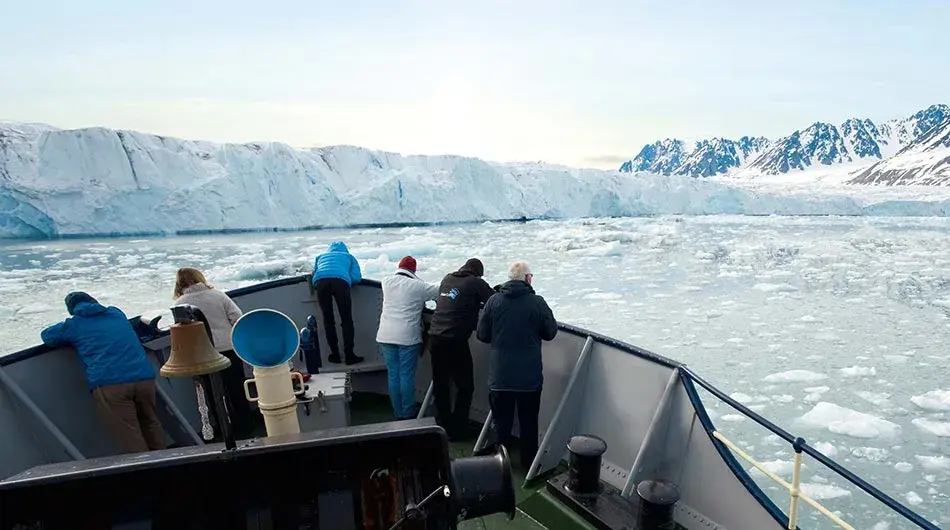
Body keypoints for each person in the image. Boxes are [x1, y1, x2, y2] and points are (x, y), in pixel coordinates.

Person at [40, 291, 166, 454]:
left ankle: (148, 473)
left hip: (110, 384)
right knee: (150, 421)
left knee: (128, 433)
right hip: (144, 378)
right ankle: (166, 458)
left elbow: (47, 336)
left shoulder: (74, 325)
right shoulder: (116, 313)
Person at [476, 261, 558, 469]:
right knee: (528, 424)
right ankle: (529, 464)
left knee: (501, 424)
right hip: (528, 379)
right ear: (527, 279)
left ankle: (500, 466)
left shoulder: (494, 301)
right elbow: (550, 332)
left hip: (500, 376)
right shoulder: (537, 302)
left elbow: (482, 335)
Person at [173, 267, 254, 439]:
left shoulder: (180, 304)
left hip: (204, 355)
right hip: (228, 350)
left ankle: (225, 430)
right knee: (237, 390)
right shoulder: (218, 295)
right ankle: (245, 427)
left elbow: (184, 333)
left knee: (214, 394)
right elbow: (237, 317)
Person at [427, 258, 495, 439]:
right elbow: (493, 299)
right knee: (465, 387)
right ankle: (458, 428)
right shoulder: (475, 282)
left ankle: (442, 426)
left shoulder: (447, 278)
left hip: (435, 337)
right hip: (455, 340)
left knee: (441, 385)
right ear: (478, 272)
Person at [376, 256, 440, 419]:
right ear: (414, 270)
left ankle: (398, 413)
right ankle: (408, 413)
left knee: (393, 375)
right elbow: (439, 290)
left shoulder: (386, 282)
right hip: (407, 337)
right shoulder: (418, 286)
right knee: (406, 376)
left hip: (386, 335)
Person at [312, 241, 364, 365]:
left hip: (321, 282)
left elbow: (314, 272)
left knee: (328, 320)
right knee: (346, 320)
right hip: (340, 282)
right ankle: (349, 356)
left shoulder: (320, 257)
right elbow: (356, 277)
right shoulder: (349, 257)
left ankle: (335, 355)